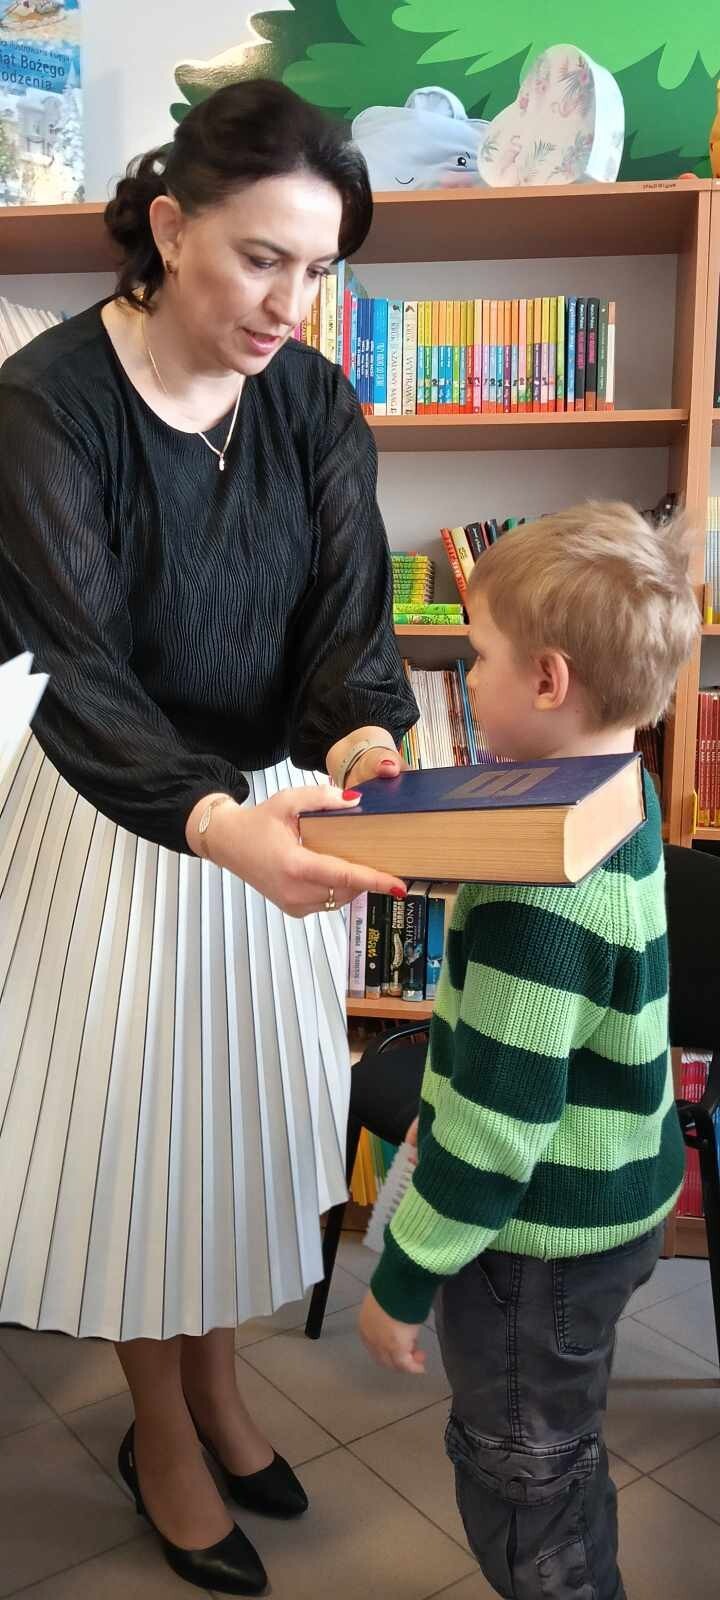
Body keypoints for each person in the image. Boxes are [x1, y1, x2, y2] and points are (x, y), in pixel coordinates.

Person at [0, 80, 417, 1596]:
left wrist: (368, 746)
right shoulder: (48, 404)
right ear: (171, 228)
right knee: (138, 1157)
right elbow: (77, 674)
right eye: (260, 258)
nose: (289, 304)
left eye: (317, 269)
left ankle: (221, 1392)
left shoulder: (312, 400)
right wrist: (220, 823)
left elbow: (346, 634)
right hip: (110, 820)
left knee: (238, 1145)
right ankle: (162, 1434)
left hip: (272, 817)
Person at [359, 501, 699, 1599]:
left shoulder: (535, 888)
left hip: (534, 1241)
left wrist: (402, 1275)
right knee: (563, 1438)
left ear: (548, 680)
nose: (469, 677)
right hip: (619, 1196)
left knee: (523, 1476)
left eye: (479, 657)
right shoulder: (622, 792)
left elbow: (498, 1125)